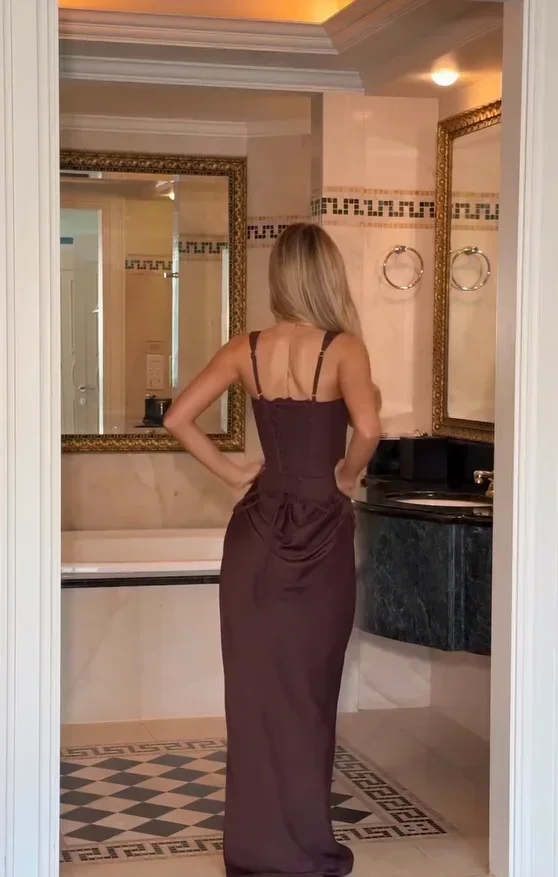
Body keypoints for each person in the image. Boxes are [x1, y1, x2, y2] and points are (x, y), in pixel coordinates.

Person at [164, 222, 381, 877]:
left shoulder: (246, 348)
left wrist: (234, 474)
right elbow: (369, 429)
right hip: (320, 533)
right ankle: (304, 848)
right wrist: (346, 476)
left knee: (256, 699)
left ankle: (255, 851)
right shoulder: (345, 350)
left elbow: (177, 417)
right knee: (309, 695)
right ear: (328, 276)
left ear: (279, 277)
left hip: (255, 537)